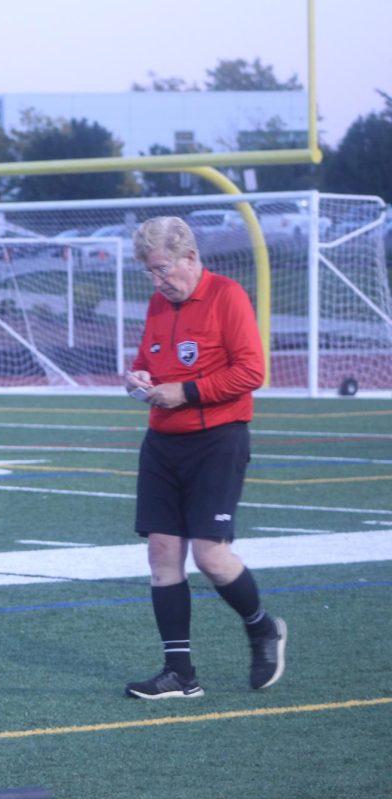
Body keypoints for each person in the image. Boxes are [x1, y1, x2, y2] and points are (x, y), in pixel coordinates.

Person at [124, 216, 287, 700]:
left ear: (190, 258)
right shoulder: (158, 304)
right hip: (161, 444)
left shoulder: (227, 296)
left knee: (211, 556)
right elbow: (146, 362)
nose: (158, 282)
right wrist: (136, 378)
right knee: (161, 555)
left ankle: (262, 629)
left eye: (162, 269)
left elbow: (252, 371)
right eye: (150, 274)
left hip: (218, 440)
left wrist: (187, 392)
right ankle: (180, 674)